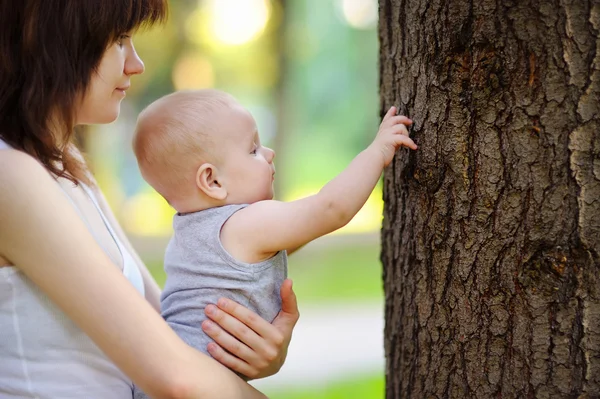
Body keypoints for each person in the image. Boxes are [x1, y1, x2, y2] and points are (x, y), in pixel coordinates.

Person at [0, 2, 299, 398]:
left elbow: (166, 333)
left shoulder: (68, 167)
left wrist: (240, 348)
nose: (136, 64)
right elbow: (176, 378)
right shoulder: (11, 176)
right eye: (120, 40)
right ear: (58, 39)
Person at [130, 89, 416, 397]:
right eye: (253, 150)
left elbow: (292, 238)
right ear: (212, 181)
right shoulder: (246, 224)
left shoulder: (189, 235)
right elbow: (330, 209)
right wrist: (377, 152)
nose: (268, 153)